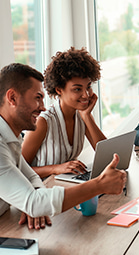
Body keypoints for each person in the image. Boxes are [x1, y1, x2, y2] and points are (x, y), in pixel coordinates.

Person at [0, 63, 126, 230]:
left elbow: (29, 177)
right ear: (12, 98)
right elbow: (33, 202)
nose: (43, 106)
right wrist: (99, 185)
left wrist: (37, 202)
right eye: (37, 98)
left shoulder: (11, 137)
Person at [21, 47, 106, 179]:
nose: (86, 95)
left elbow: (107, 156)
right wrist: (56, 169)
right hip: (41, 191)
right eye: (77, 89)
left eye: (88, 87)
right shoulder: (43, 122)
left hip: (65, 186)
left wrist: (87, 116)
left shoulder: (82, 115)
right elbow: (19, 171)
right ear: (59, 89)